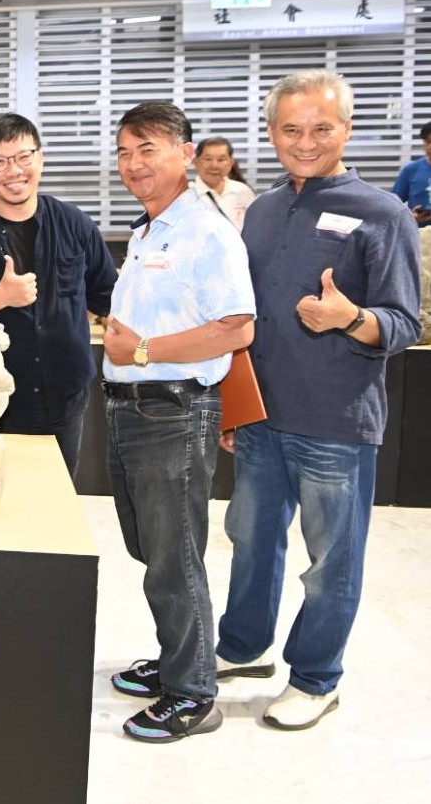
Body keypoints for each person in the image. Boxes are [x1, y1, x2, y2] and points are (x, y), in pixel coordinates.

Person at [218, 70, 422, 731]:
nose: (305, 142)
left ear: (347, 130)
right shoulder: (263, 210)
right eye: (291, 129)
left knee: (331, 560)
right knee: (250, 541)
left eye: (321, 128)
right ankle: (244, 648)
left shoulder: (383, 213)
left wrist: (351, 318)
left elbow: (404, 322)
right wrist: (234, 404)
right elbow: (246, 316)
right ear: (272, 133)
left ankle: (316, 678)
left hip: (336, 421)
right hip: (261, 416)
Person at [101, 101, 256, 744]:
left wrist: (141, 351)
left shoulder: (206, 231)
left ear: (185, 153)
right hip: (132, 409)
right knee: (150, 548)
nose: (134, 164)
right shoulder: (149, 230)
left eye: (149, 149)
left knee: (174, 558)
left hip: (172, 410)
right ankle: (174, 663)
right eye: (125, 152)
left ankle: (193, 693)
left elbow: (237, 328)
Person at [0, 113, 117, 477]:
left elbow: (102, 296)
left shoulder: (75, 224)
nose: (14, 170)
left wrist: (65, 324)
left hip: (65, 397)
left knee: (57, 496)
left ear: (40, 158)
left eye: (23, 157)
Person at [192, 136, 257, 231]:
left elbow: (255, 227)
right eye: (208, 159)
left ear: (231, 163)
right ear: (195, 162)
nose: (214, 165)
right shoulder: (186, 194)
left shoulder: (243, 191)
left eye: (221, 160)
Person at [391, 119, 431, 227]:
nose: (430, 147)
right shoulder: (410, 170)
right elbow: (393, 206)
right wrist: (410, 216)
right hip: (417, 232)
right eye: (428, 142)